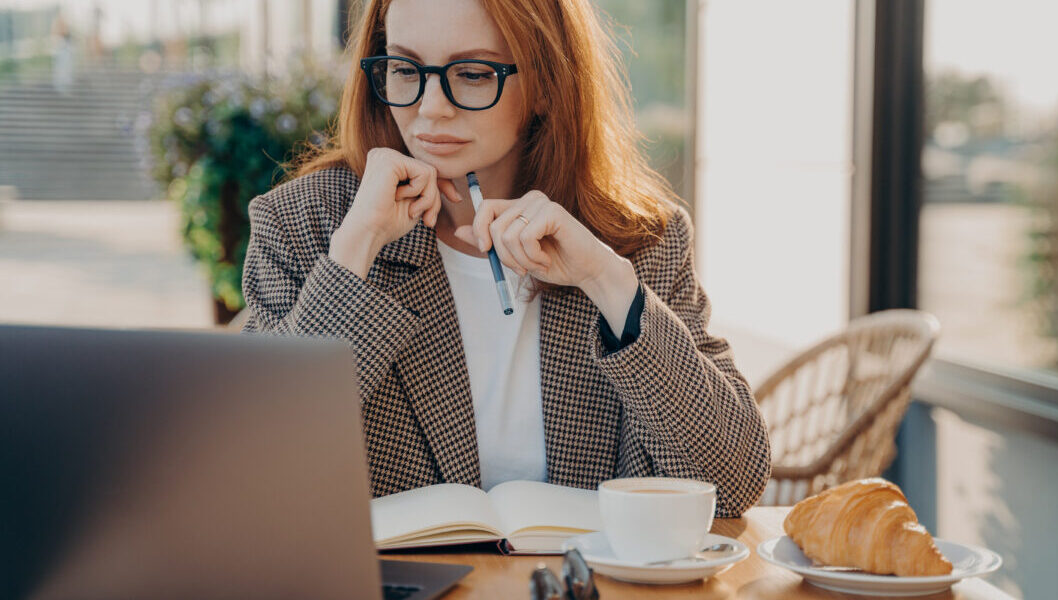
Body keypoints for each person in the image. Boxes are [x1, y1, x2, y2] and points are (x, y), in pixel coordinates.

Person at [241, 0, 769, 517]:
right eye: (405, 68)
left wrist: (606, 280)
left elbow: (733, 482)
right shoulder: (306, 226)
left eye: (471, 74)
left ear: (544, 85)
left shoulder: (639, 238)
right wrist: (353, 252)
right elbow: (251, 474)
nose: (430, 107)